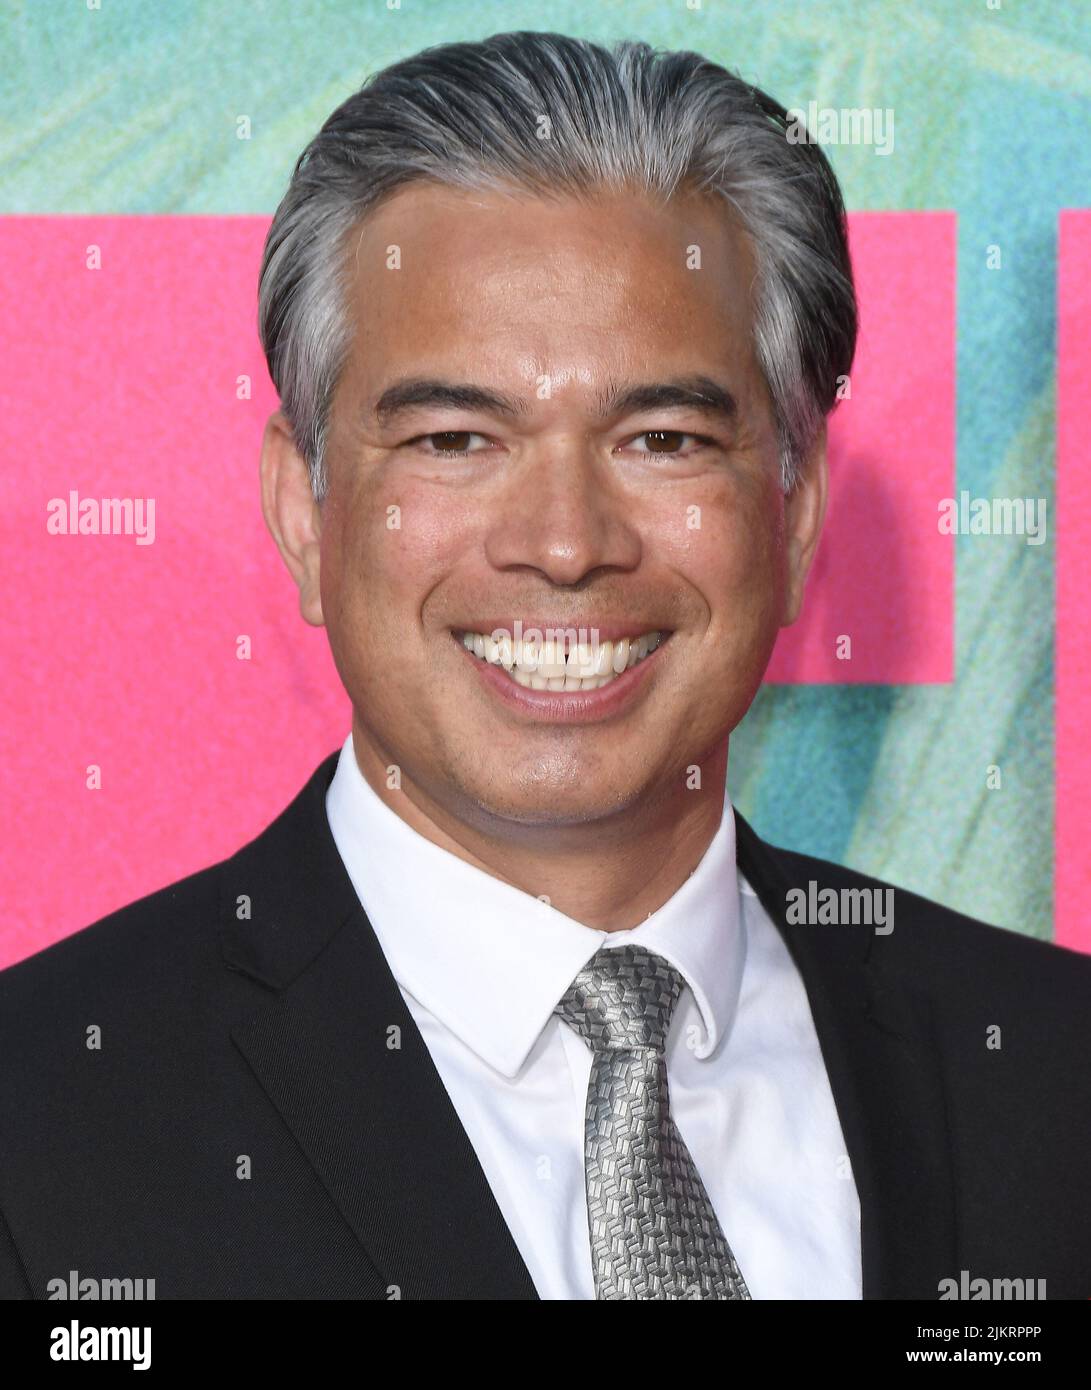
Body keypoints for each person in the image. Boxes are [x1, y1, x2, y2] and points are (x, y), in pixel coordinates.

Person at [1, 31, 1088, 1302]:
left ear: (792, 520)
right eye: (457, 438)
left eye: (664, 437)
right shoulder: (44, 1126)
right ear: (305, 512)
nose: (565, 544)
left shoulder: (1049, 1073)